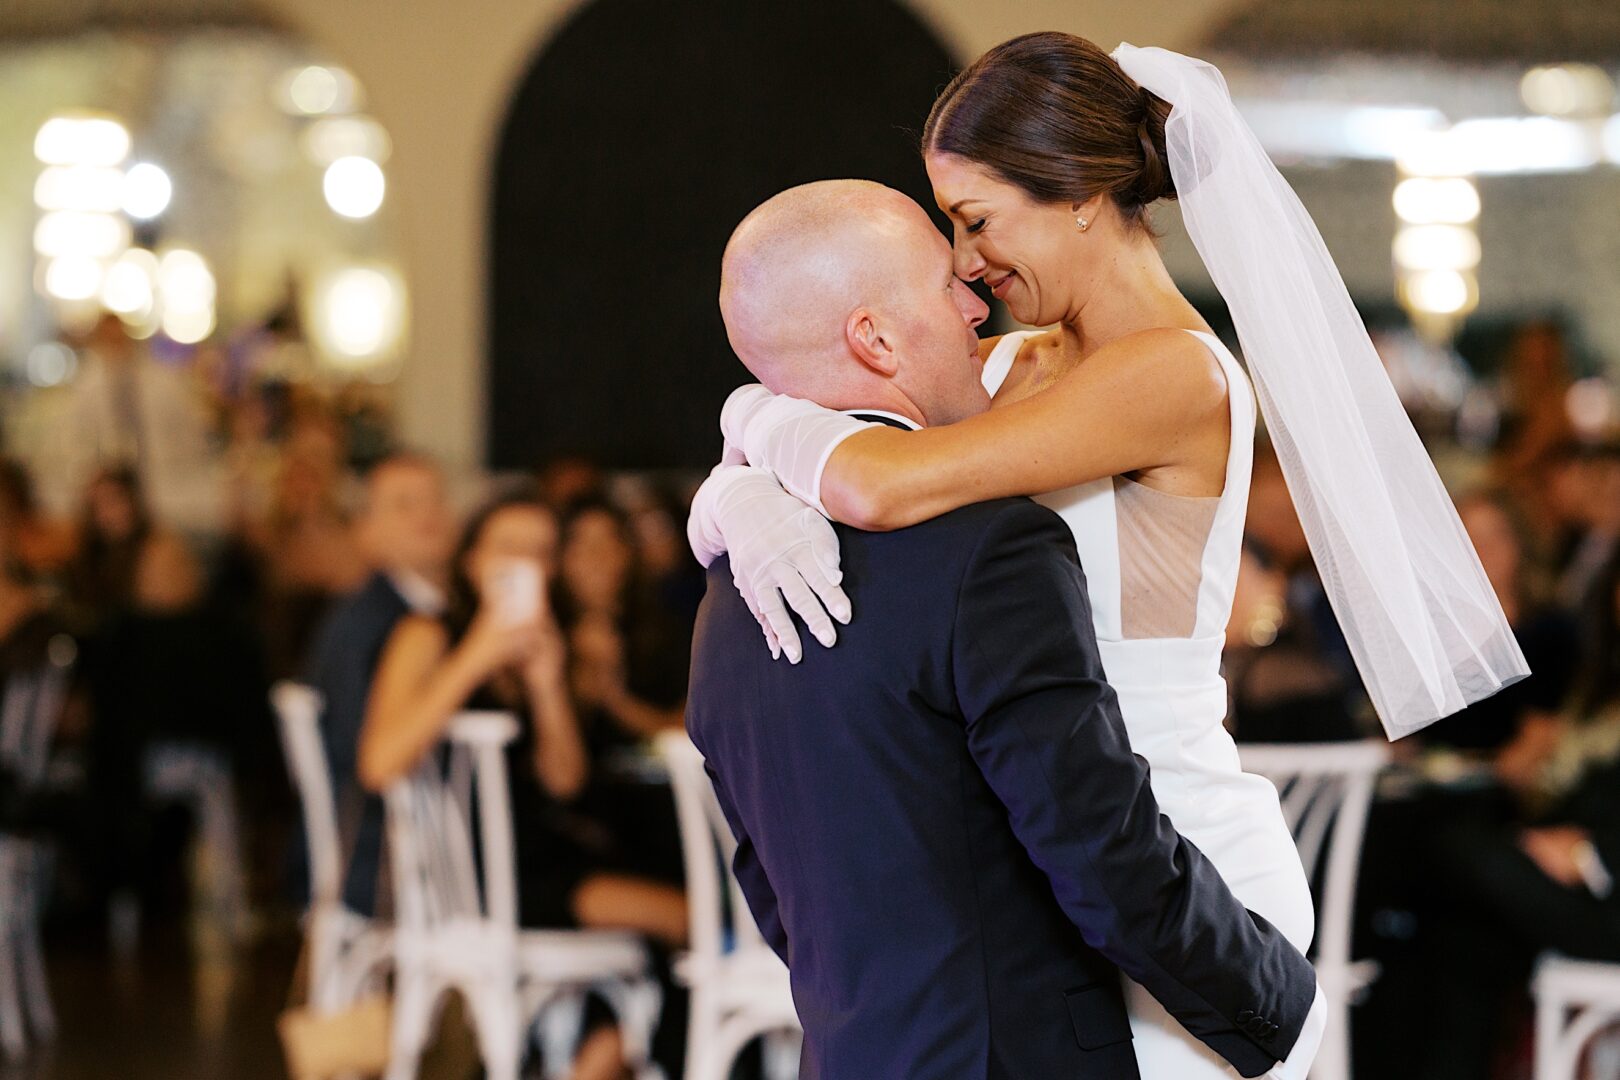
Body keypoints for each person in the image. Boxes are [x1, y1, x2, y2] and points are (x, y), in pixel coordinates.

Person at [691, 34, 1525, 1075]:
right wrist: (748, 474)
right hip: (1058, 869)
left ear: (1081, 194)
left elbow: (880, 477)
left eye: (976, 220)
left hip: (1173, 871)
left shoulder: (1174, 376)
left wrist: (746, 441)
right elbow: (857, 396)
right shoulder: (1004, 366)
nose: (962, 263)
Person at [690, 179, 1322, 1079]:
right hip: (1070, 1006)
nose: (972, 289)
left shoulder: (734, 583)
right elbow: (1097, 847)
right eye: (951, 263)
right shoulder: (989, 544)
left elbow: (776, 887)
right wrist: (1280, 1006)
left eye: (976, 226)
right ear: (873, 337)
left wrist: (743, 439)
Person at [360, 490, 686, 1080]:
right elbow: (380, 762)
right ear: (470, 561)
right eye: (508, 550)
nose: (527, 565)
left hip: (551, 856)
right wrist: (478, 654)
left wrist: (546, 682)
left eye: (541, 552)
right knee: (690, 920)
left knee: (689, 907)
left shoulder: (551, 643)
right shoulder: (428, 634)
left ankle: (599, 1052)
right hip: (475, 877)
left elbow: (565, 784)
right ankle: (608, 1055)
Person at [302, 452, 457, 915]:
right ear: (365, 532)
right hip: (381, 851)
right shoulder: (373, 624)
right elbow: (366, 754)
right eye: (404, 505)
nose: (426, 516)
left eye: (434, 501)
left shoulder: (411, 611)